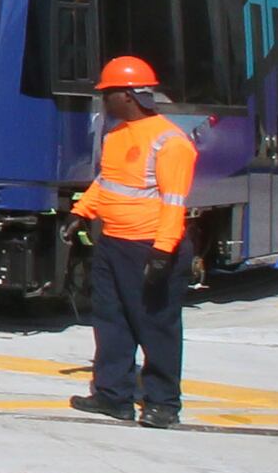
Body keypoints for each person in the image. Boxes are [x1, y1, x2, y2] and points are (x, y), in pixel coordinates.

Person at [67, 54, 197, 429]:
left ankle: (163, 404)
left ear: (128, 95)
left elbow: (174, 201)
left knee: (156, 325)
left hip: (150, 247)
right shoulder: (116, 136)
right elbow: (107, 183)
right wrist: (82, 213)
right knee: (111, 321)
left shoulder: (170, 142)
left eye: (107, 93)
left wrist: (162, 250)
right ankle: (112, 396)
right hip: (113, 244)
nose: (103, 100)